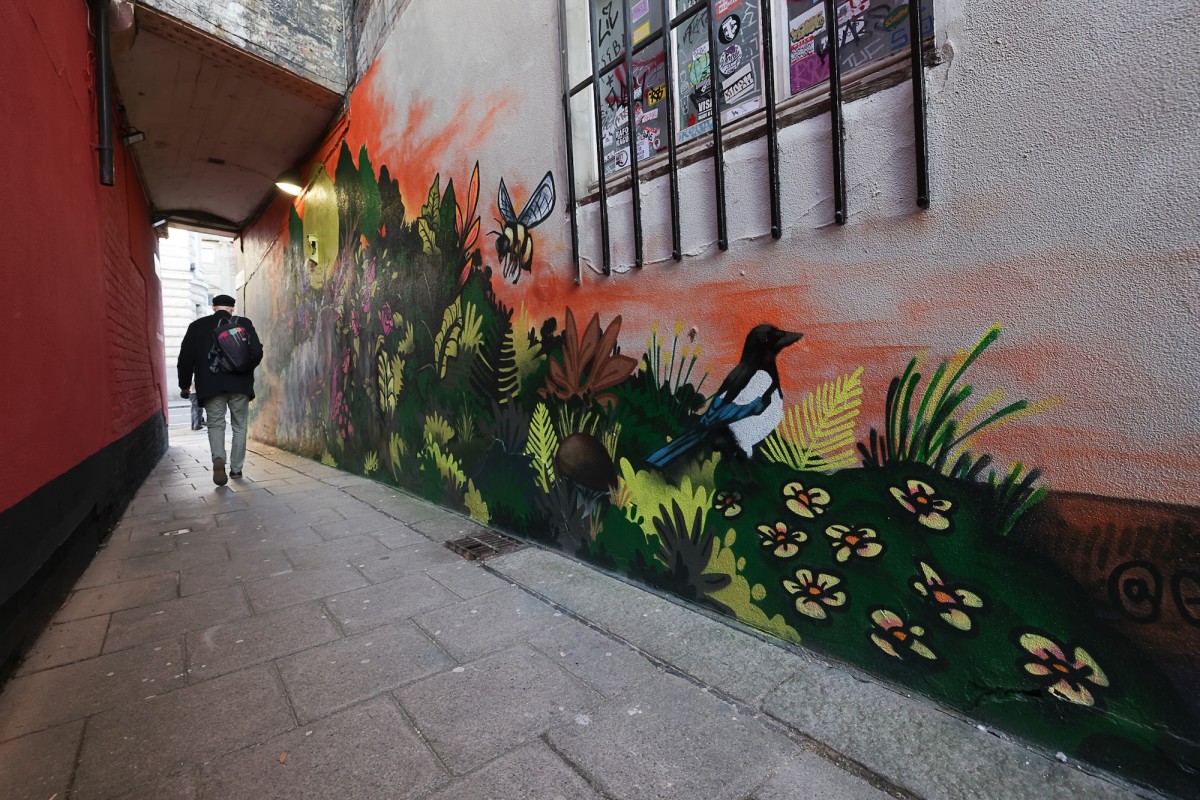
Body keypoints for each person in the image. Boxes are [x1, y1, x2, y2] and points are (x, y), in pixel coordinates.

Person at [178, 294, 264, 486]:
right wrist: (245, 367)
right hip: (240, 384)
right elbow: (257, 350)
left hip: (211, 384)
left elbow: (185, 359)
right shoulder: (243, 323)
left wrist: (184, 384)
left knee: (216, 424)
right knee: (239, 425)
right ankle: (236, 469)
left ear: (213, 307)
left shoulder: (197, 326)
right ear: (232, 308)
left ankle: (218, 459)